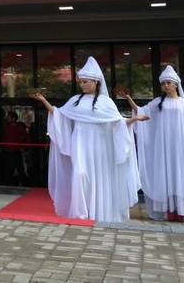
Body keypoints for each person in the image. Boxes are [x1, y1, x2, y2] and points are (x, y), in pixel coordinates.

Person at [31, 56, 147, 222]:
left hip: (100, 146)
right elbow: (59, 115)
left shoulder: (106, 102)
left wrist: (135, 119)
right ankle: (81, 214)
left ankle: (100, 213)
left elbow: (118, 122)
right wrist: (44, 101)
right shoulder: (75, 101)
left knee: (99, 178)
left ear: (96, 82)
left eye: (86, 82)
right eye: (81, 82)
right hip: (80, 144)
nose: (82, 85)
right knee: (80, 174)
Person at [122, 66, 184, 221]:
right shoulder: (157, 103)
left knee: (180, 172)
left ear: (176, 84)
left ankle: (181, 210)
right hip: (164, 146)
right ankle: (169, 211)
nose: (166, 86)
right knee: (166, 173)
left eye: (168, 83)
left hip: (180, 145)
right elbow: (141, 111)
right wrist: (129, 98)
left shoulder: (183, 103)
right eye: (163, 84)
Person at [1, 111, 28, 186]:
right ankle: (7, 185)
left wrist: (23, 147)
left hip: (16, 151)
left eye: (9, 117)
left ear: (13, 118)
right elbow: (4, 139)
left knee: (20, 169)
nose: (7, 118)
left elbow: (26, 138)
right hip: (7, 152)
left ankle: (24, 185)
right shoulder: (6, 127)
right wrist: (2, 148)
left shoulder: (19, 127)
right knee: (7, 170)